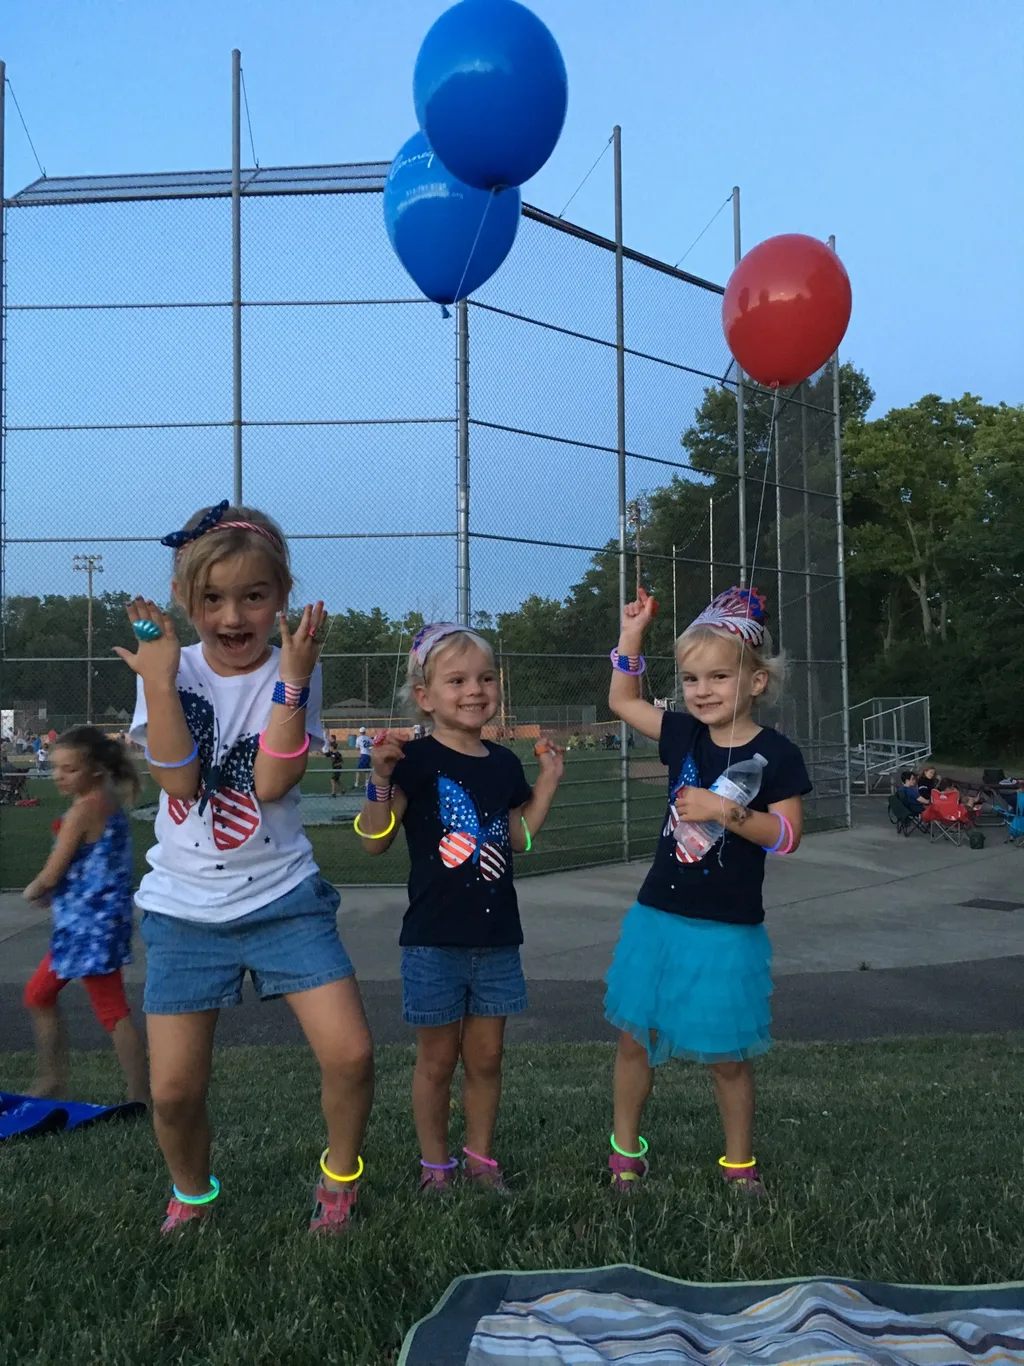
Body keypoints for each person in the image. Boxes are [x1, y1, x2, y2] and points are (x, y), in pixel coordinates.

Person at [117, 501, 373, 1235]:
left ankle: (339, 1179)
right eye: (213, 599)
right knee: (172, 1093)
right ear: (185, 599)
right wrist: (162, 681)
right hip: (183, 909)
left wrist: (293, 680)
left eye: (252, 596)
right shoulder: (169, 665)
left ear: (281, 595)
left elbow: (269, 785)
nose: (233, 615)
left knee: (352, 1054)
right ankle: (193, 1195)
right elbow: (176, 783)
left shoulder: (293, 666)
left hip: (285, 898)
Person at [604, 586, 811, 1198]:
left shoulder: (776, 754)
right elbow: (621, 699)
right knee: (635, 1038)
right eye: (692, 678)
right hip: (659, 916)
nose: (703, 690)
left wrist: (727, 812)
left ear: (756, 682)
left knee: (728, 1056)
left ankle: (739, 1166)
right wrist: (633, 635)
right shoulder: (680, 736)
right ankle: (625, 1154)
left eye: (719, 676)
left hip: (728, 928)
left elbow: (789, 835)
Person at [357, 622, 564, 1194]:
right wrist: (378, 780)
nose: (475, 690)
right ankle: (436, 1167)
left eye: (485, 678)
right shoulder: (414, 761)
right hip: (433, 939)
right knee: (436, 1062)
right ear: (424, 697)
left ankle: (479, 1160)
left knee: (488, 1058)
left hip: (497, 938)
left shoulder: (501, 763)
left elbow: (517, 837)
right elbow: (374, 840)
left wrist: (547, 782)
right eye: (457, 680)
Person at [22, 726, 149, 1105]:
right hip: (95, 922)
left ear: (94, 770)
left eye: (70, 769)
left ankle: (141, 1096)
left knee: (111, 1009)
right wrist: (58, 893)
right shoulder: (107, 800)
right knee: (38, 994)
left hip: (87, 931)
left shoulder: (83, 811)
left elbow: (52, 871)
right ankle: (52, 1079)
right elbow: (92, 866)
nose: (60, 776)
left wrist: (36, 890)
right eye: (57, 768)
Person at [354, 726, 373, 791]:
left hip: (364, 755)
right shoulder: (368, 738)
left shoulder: (358, 739)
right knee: (367, 770)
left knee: (358, 769)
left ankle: (356, 784)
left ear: (360, 732)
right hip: (368, 755)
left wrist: (361, 748)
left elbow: (357, 748)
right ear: (365, 732)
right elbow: (373, 743)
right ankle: (366, 783)